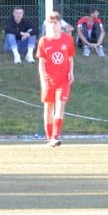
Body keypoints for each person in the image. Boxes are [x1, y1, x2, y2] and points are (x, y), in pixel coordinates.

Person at [37, 10, 75, 146]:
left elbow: (70, 57)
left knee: (60, 106)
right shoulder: (43, 41)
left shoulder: (68, 39)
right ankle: (49, 138)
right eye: (51, 23)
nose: (53, 26)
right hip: (49, 80)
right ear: (48, 25)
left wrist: (71, 72)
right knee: (48, 108)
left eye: (56, 23)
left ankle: (55, 136)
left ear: (60, 24)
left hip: (63, 79)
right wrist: (43, 81)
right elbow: (41, 63)